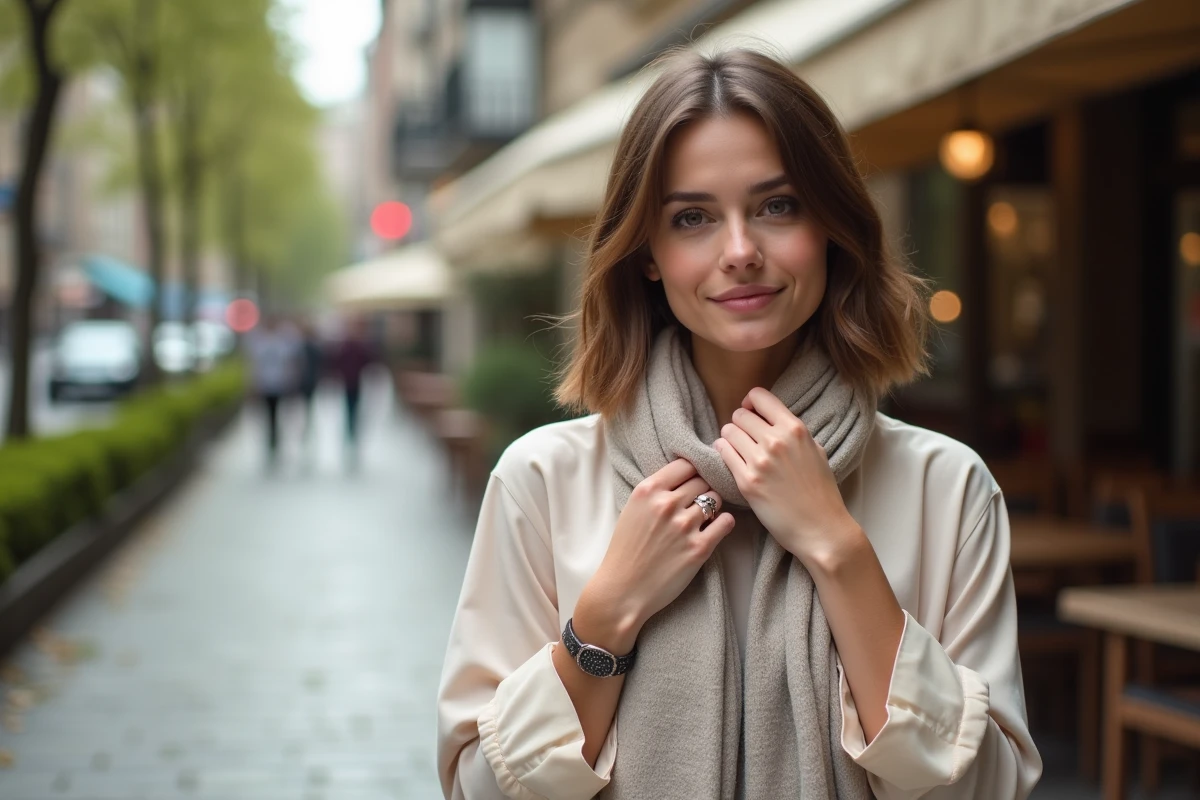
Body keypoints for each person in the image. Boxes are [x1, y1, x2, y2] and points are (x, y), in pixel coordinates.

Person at [437, 49, 1041, 799]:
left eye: (777, 206)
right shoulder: (542, 481)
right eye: (691, 218)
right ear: (648, 253)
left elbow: (988, 788)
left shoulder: (945, 487)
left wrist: (838, 549)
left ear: (831, 226)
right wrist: (606, 614)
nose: (740, 252)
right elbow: (477, 786)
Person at [245, 314, 300, 468]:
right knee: (269, 417)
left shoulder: (283, 341)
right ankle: (271, 443)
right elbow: (254, 365)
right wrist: (252, 385)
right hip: (265, 385)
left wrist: (291, 381)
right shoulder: (259, 341)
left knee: (278, 416)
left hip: (280, 385)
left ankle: (276, 443)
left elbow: (290, 363)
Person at [329, 317, 376, 468]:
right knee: (351, 411)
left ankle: (351, 436)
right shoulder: (349, 346)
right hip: (349, 383)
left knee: (352, 411)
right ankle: (351, 436)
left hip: (354, 383)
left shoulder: (354, 346)